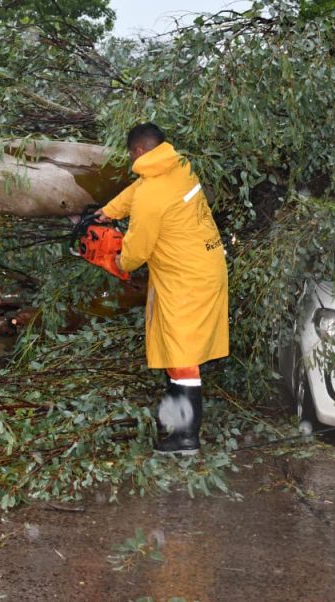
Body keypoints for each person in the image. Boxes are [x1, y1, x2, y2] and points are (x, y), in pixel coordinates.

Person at [97, 123, 229, 456]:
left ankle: (185, 437)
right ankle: (173, 420)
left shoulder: (151, 196)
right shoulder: (179, 167)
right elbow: (138, 190)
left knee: (182, 355)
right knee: (176, 348)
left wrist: (116, 261)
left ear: (139, 152)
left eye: (131, 154)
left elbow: (136, 252)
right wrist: (106, 213)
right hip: (203, 267)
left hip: (187, 280)